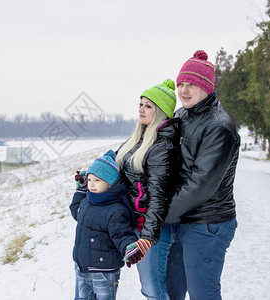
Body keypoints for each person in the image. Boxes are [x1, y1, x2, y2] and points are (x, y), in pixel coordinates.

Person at [164, 50, 240, 299]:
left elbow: (200, 184)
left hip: (207, 223)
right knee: (170, 291)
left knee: (203, 294)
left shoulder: (219, 127)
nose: (184, 91)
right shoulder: (181, 115)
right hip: (179, 219)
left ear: (206, 87)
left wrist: (161, 215)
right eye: (181, 84)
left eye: (192, 84)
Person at [115, 79, 181, 299]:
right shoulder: (139, 138)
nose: (141, 109)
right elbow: (116, 161)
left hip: (152, 230)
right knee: (150, 287)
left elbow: (159, 197)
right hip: (137, 224)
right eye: (141, 104)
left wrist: (146, 239)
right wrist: (93, 175)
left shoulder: (162, 147)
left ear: (161, 112)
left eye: (148, 106)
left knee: (153, 288)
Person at [70, 150, 148, 300]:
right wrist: (80, 190)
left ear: (110, 183)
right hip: (82, 267)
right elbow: (76, 212)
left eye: (97, 180)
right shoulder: (87, 201)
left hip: (103, 271)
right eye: (90, 179)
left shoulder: (116, 210)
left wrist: (128, 248)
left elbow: (122, 235)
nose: (92, 184)